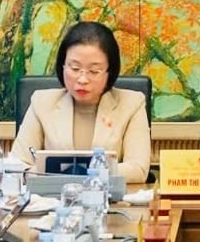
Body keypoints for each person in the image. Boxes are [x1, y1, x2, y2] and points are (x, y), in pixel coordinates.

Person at [11, 21, 151, 183]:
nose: (83, 79)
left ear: (109, 72)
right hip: (53, 203)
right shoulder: (42, 102)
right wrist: (91, 172)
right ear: (62, 66)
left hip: (109, 203)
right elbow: (17, 165)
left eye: (94, 71)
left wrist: (67, 172)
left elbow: (138, 170)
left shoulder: (131, 104)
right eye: (75, 68)